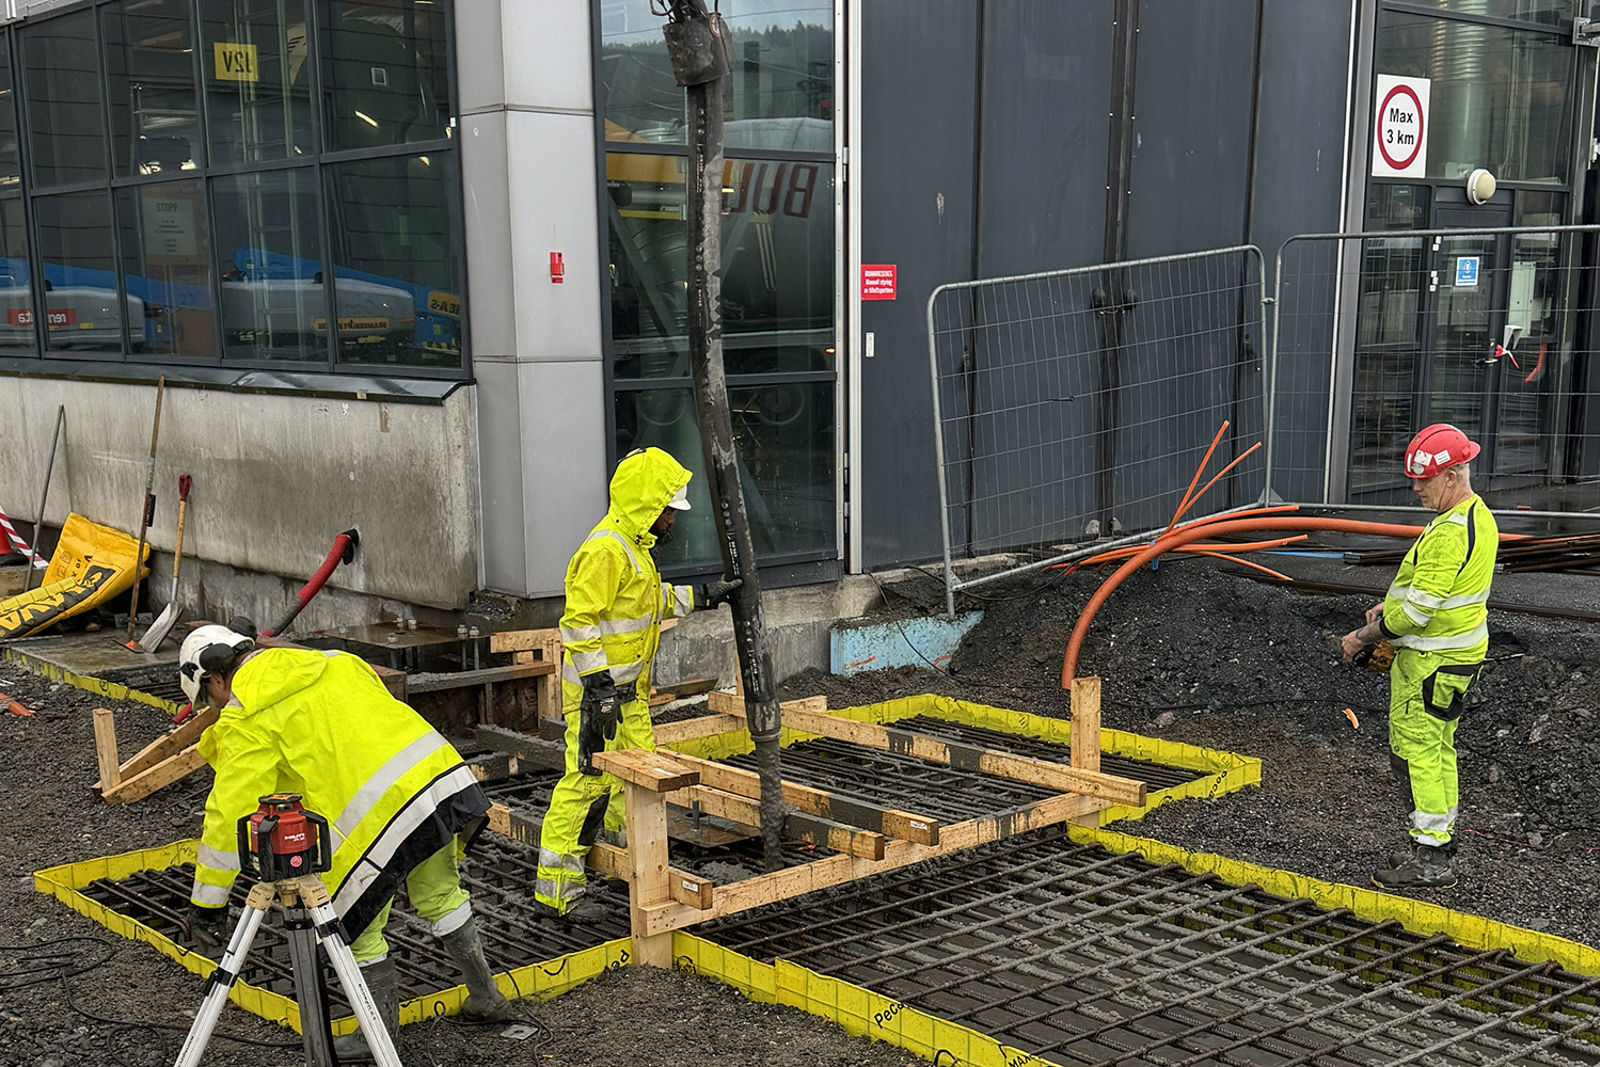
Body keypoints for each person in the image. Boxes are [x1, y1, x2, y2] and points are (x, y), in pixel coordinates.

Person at [178, 623, 516, 1060]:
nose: (217, 707)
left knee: (357, 929)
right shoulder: (331, 660)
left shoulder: (249, 715)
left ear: (214, 677)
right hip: (436, 781)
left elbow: (228, 815)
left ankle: (380, 1037)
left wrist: (208, 902)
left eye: (210, 698)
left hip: (375, 816)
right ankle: (487, 997)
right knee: (442, 895)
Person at [535, 447, 739, 919]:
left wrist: (704, 597)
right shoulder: (605, 549)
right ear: (648, 505)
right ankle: (558, 892)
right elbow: (578, 621)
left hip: (626, 697)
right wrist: (599, 684)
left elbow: (649, 603)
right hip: (597, 698)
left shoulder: (634, 550)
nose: (671, 521)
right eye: (667, 511)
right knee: (586, 784)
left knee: (639, 782)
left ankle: (627, 865)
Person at [1340, 424, 1497, 891]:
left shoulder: (1449, 532)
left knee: (1415, 756)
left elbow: (1416, 614)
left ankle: (1430, 859)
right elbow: (1437, 594)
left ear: (1451, 476)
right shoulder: (1476, 515)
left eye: (1423, 480)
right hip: (1456, 658)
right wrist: (1392, 606)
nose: (1415, 488)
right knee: (1439, 750)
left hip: (1430, 663)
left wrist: (1362, 636)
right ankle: (1438, 843)